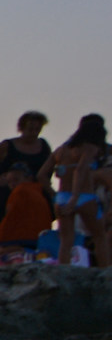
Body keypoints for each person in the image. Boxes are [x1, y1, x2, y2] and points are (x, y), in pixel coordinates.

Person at [0, 111, 54, 229]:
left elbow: (49, 166)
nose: (33, 133)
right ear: (22, 128)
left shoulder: (44, 145)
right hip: (11, 193)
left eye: (37, 129)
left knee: (39, 225)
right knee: (8, 225)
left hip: (37, 194)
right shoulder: (7, 146)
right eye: (30, 129)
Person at [48, 113, 107, 266]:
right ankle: (106, 271)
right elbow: (80, 170)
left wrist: (54, 194)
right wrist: (75, 198)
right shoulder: (90, 147)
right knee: (100, 236)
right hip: (83, 197)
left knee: (66, 240)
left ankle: (63, 271)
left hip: (61, 197)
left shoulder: (61, 150)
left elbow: (42, 174)